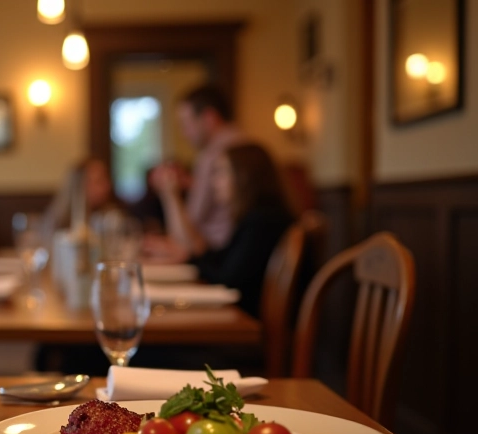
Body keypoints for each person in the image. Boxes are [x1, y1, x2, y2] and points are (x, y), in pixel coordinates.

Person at [151, 143, 294, 317]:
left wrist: (191, 260)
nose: (214, 182)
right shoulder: (261, 214)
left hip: (250, 325)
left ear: (244, 176)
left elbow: (228, 279)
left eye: (221, 172)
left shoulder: (263, 220)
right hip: (248, 318)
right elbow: (224, 259)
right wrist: (189, 258)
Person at [155, 85, 244, 251]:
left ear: (209, 118)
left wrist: (169, 193)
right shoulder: (244, 144)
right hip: (233, 253)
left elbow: (185, 231)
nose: (184, 133)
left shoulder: (214, 155)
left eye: (186, 124)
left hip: (216, 257)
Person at [43, 157, 123, 233]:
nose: (107, 186)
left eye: (106, 179)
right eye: (99, 181)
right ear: (79, 185)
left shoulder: (113, 218)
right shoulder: (57, 223)